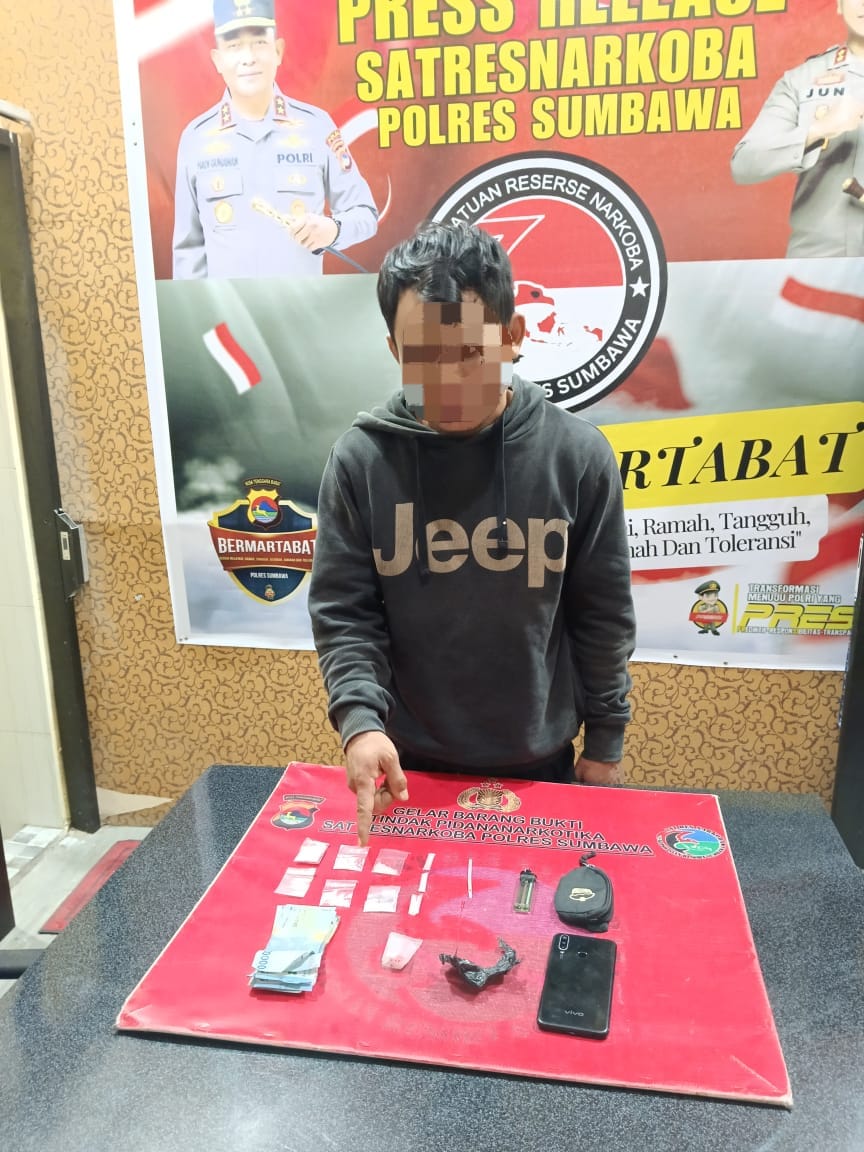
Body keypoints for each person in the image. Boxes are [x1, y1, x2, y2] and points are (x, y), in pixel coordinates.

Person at [308, 221, 636, 844]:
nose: (447, 384)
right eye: (422, 357)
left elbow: (603, 614)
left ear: (512, 336)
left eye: (469, 354)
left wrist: (606, 742)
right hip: (405, 763)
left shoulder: (576, 456)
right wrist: (359, 723)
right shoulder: (361, 460)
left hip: (540, 762)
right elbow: (345, 613)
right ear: (394, 350)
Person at [172, 0, 378, 279]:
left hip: (301, 304)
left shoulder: (316, 127)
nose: (248, 58)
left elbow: (365, 214)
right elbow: (188, 251)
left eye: (259, 43)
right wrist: (195, 307)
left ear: (278, 51)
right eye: (234, 46)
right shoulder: (196, 139)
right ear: (217, 60)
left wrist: (334, 229)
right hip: (228, 307)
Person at [731, 0, 864, 258]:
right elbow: (744, 163)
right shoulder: (802, 79)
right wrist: (818, 129)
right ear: (839, 5)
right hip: (820, 262)